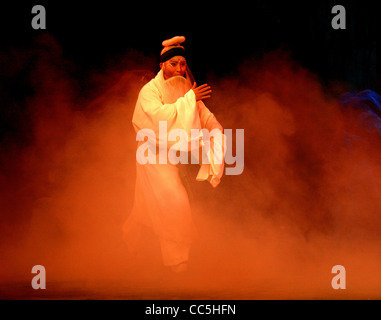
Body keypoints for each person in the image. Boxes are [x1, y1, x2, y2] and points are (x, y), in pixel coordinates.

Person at [123, 36, 225, 273]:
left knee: (146, 205)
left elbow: (202, 114)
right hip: (153, 155)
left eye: (182, 63)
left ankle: (131, 238)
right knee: (174, 201)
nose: (179, 69)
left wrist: (214, 128)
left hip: (172, 155)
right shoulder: (149, 91)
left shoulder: (185, 88)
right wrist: (190, 100)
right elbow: (157, 116)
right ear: (162, 66)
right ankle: (177, 261)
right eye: (173, 64)